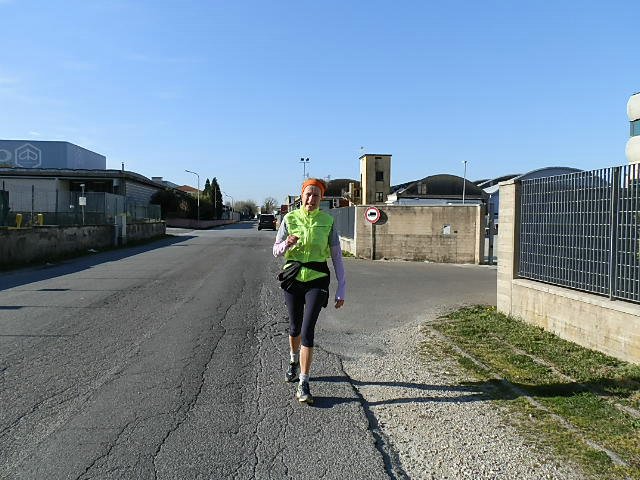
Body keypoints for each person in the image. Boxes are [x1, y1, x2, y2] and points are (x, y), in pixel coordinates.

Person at [272, 178, 346, 405]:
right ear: (301, 196)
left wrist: (341, 288)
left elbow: (337, 257)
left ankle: (304, 382)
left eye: (316, 195)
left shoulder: (328, 221)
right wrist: (287, 244)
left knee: (307, 330)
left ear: (321, 199)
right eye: (308, 194)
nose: (312, 199)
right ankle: (293, 361)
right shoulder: (289, 218)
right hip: (293, 277)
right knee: (295, 328)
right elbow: (276, 251)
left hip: (317, 278)